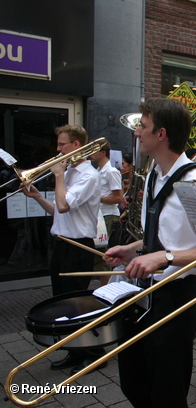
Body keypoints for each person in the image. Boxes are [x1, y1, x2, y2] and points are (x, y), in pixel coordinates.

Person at [104, 98, 196, 408]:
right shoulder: (154, 175)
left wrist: (165, 257)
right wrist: (131, 250)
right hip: (143, 293)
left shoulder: (193, 181)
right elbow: (155, 237)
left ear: (162, 134)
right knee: (134, 381)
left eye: (143, 127)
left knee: (167, 392)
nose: (136, 133)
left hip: (175, 297)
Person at [22, 124, 102, 372]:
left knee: (78, 303)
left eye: (61, 145)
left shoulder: (89, 175)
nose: (57, 150)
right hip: (62, 244)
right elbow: (58, 210)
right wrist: (37, 196)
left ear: (76, 146)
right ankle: (74, 352)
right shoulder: (68, 173)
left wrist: (57, 175)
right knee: (62, 303)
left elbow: (66, 205)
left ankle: (96, 352)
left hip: (78, 246)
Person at [90, 141, 123, 285]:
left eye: (94, 151)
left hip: (108, 216)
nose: (91, 154)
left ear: (103, 152)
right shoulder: (98, 171)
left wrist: (94, 198)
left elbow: (118, 197)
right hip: (100, 216)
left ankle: (107, 291)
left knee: (104, 256)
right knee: (99, 256)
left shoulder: (111, 171)